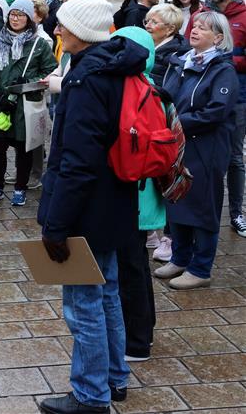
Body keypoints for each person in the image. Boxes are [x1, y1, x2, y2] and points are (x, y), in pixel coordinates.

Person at [37, 0, 147, 414]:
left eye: (63, 25)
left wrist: (56, 225)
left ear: (82, 32)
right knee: (108, 294)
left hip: (87, 208)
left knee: (83, 303)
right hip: (117, 201)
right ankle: (115, 379)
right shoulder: (119, 67)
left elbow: (75, 163)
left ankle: (89, 395)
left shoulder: (86, 81)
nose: (57, 31)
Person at [156, 11, 238, 288]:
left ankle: (201, 269)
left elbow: (215, 112)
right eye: (195, 26)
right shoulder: (181, 62)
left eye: (203, 29)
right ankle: (180, 257)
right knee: (176, 199)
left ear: (217, 37)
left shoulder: (222, 70)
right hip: (176, 145)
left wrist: (176, 124)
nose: (195, 30)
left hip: (206, 149)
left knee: (202, 208)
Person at [111, 26, 164, 363]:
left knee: (130, 267)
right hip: (148, 193)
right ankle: (146, 330)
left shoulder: (132, 92)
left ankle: (137, 342)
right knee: (138, 266)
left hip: (133, 194)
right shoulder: (152, 87)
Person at [184, 0, 246, 237]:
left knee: (233, 156)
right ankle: (194, 210)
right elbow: (186, 47)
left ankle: (236, 212)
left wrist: (222, 61)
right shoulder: (199, 15)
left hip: (237, 97)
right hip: (198, 95)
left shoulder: (243, 17)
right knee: (197, 157)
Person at [0, 0, 56, 207]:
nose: (15, 19)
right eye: (13, 15)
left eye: (21, 15)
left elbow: (50, 71)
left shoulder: (38, 44)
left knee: (23, 149)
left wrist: (29, 82)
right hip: (1, 104)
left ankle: (20, 187)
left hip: (25, 105)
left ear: (29, 19)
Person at [145, 4, 188, 87]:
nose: (147, 26)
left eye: (154, 22)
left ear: (170, 29)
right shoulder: (146, 44)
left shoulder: (175, 56)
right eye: (147, 21)